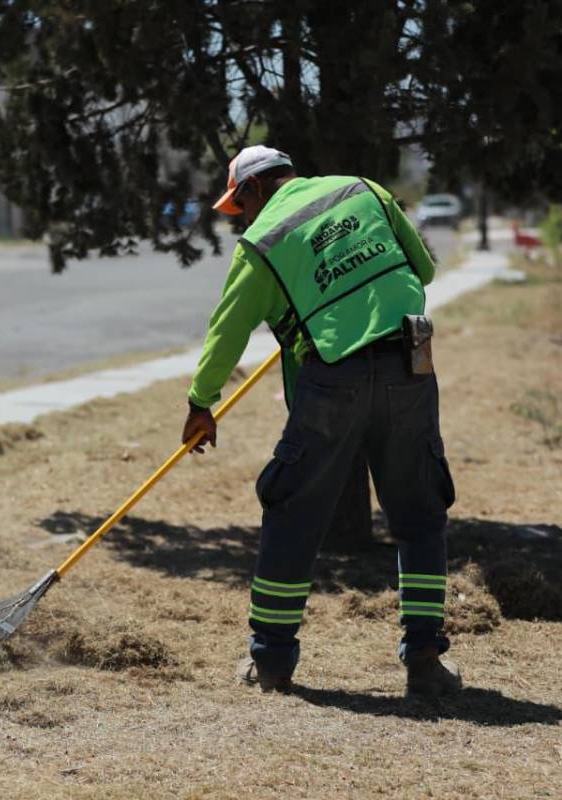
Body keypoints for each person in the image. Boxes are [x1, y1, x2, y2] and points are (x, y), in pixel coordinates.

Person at [181, 145, 461, 697]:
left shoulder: (262, 243)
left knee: (293, 513)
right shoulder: (363, 189)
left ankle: (272, 665)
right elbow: (423, 269)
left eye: (242, 207)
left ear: (255, 190)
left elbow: (227, 330)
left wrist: (201, 402)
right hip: (410, 364)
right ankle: (425, 659)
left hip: (333, 380)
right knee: (420, 513)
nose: (246, 219)